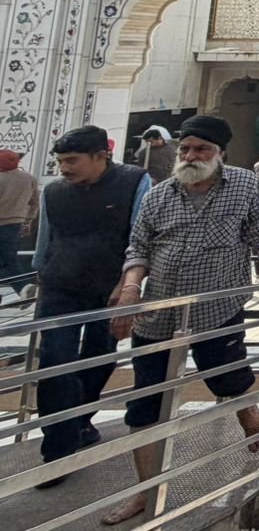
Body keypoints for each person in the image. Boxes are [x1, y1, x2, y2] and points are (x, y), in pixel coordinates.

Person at [101, 115, 259, 527]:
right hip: (159, 312)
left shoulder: (242, 185)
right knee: (145, 401)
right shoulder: (159, 195)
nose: (190, 156)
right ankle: (145, 493)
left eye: (200, 150)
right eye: (185, 149)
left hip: (215, 306)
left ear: (219, 153)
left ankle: (250, 415)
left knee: (225, 375)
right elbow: (139, 248)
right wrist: (131, 288)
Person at [29, 127, 151, 483]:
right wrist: (41, 277)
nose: (64, 168)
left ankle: (80, 421)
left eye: (72, 161)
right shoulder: (54, 192)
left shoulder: (134, 182)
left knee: (100, 356)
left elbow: (140, 235)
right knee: (55, 362)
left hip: (109, 289)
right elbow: (46, 241)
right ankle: (58, 451)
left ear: (101, 157)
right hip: (61, 286)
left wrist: (129, 286)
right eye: (61, 161)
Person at [0, 148, 39, 296]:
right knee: (9, 258)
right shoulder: (29, 178)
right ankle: (23, 287)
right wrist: (28, 220)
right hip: (16, 224)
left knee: (7, 260)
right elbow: (35, 203)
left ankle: (23, 286)